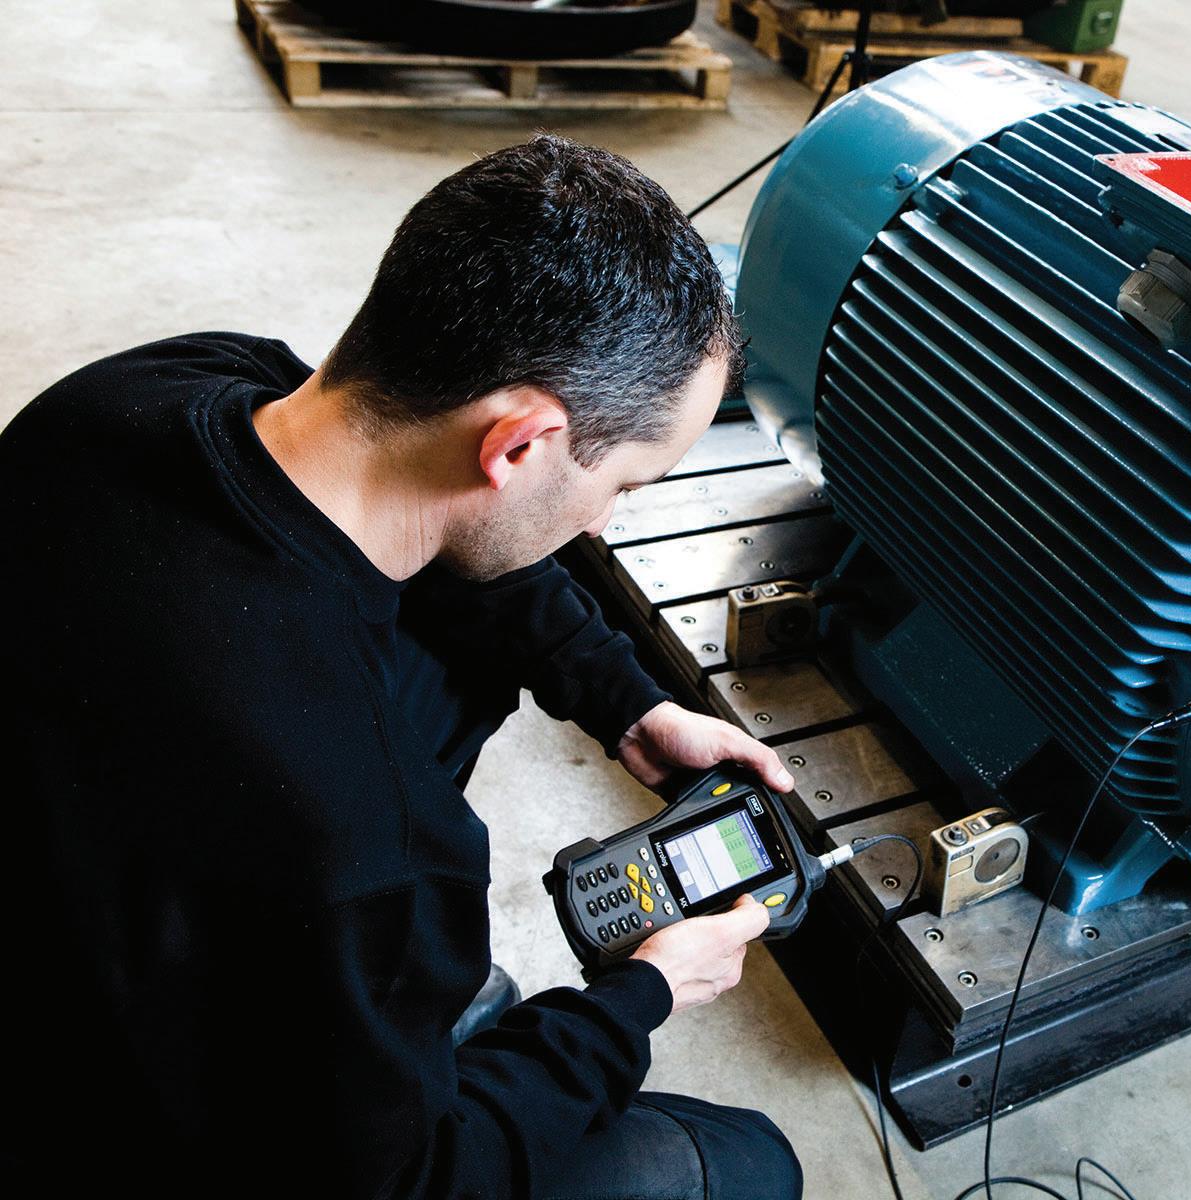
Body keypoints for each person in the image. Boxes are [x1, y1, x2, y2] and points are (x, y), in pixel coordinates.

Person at [0, 135, 806, 1199]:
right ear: (518, 445)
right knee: (746, 1162)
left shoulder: (153, 387)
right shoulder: (371, 839)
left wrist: (627, 703)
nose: (603, 524)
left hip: (65, 910)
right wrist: (640, 995)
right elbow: (417, 1182)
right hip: (135, 1131)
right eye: (624, 485)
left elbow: (459, 535)